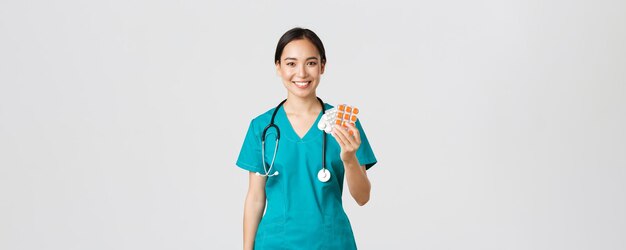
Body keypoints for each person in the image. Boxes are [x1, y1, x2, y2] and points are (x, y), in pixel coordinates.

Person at [236, 27, 377, 249]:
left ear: (322, 66)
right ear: (278, 67)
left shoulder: (343, 123)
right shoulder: (262, 127)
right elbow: (255, 198)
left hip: (331, 242)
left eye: (310, 63)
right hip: (275, 243)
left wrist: (349, 159)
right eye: (291, 63)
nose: (301, 73)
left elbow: (362, 197)